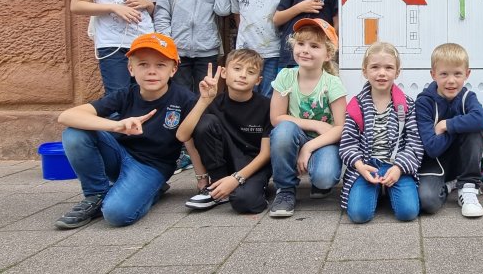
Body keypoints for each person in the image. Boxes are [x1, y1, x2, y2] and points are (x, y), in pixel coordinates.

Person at [54, 33, 196, 229]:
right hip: (119, 155)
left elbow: (193, 139)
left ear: (173, 69)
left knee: (116, 214)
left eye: (160, 65)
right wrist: (116, 125)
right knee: (75, 133)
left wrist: (202, 179)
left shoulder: (185, 99)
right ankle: (96, 195)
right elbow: (67, 116)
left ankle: (152, 191)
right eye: (143, 65)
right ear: (131, 69)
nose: (151, 72)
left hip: (152, 167)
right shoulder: (125, 94)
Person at [175, 49, 272, 214]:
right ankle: (218, 184)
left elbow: (265, 154)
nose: (243, 75)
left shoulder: (267, 106)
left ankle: (247, 189)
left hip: (253, 165)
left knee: (245, 203)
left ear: (258, 80)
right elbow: (182, 136)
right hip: (224, 162)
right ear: (225, 73)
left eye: (251, 72)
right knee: (205, 122)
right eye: (237, 69)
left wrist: (236, 179)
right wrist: (204, 100)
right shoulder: (213, 102)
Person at [268, 18, 346, 217]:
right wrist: (314, 124)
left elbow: (340, 127)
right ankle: (285, 189)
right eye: (300, 44)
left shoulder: (332, 83)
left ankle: (318, 178)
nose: (305, 50)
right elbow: (276, 117)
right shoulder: (285, 76)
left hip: (324, 142)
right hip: (296, 136)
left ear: (328, 54)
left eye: (314, 46)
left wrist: (309, 147)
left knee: (324, 177)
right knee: (283, 131)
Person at [339, 42, 423, 223]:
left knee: (408, 213)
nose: (382, 73)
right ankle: (374, 192)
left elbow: (414, 143)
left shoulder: (407, 104)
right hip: (367, 166)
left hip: (397, 165)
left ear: (397, 72)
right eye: (375, 67)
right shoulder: (356, 105)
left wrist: (400, 168)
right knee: (359, 215)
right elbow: (348, 143)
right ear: (365, 71)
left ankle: (389, 189)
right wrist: (360, 166)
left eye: (388, 67)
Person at [416, 43, 483, 217]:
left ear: (467, 74)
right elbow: (432, 148)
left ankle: (468, 187)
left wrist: (446, 125)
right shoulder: (424, 102)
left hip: (463, 162)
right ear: (433, 74)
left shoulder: (467, 98)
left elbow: (482, 120)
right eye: (444, 74)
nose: (451, 80)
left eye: (457, 74)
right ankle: (451, 185)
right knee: (427, 202)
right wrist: (458, 129)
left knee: (474, 127)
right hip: (435, 162)